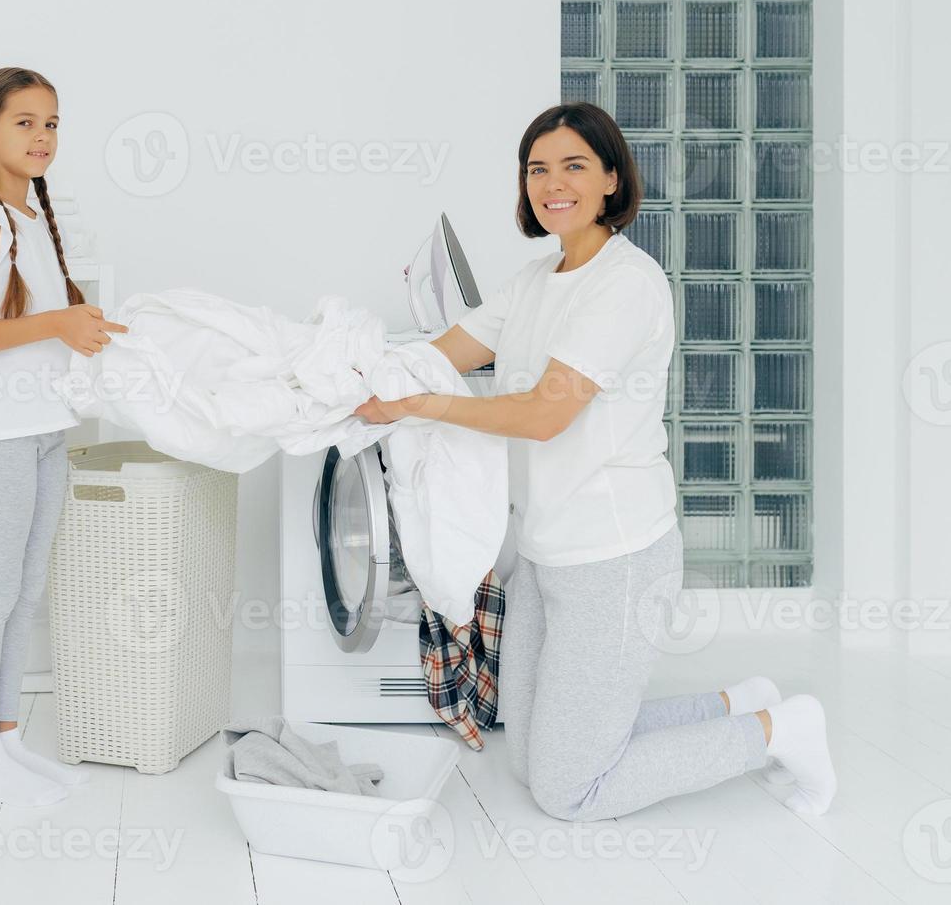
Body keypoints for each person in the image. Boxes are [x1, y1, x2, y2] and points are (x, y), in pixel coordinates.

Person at [354, 102, 836, 821]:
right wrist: (332, 367)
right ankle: (740, 703)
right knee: (529, 750)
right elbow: (435, 355)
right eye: (537, 168)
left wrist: (418, 407)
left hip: (616, 558)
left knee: (568, 789)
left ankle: (778, 731)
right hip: (550, 553)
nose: (554, 183)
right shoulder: (534, 280)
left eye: (574, 165)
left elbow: (545, 414)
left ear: (612, 178)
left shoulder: (626, 284)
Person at [0, 66, 128, 806]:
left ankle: (7, 739)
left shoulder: (34, 219)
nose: (42, 136)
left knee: (26, 591)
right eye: (24, 123)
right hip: (2, 436)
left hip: (48, 430)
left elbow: (42, 328)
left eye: (51, 123)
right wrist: (56, 323)